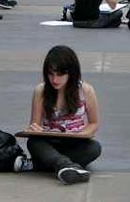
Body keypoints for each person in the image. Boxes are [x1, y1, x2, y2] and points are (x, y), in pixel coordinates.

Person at [24, 46, 102, 184]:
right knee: (34, 142)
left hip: (74, 142)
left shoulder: (85, 90)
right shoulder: (40, 90)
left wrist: (82, 134)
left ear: (71, 73)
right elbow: (35, 124)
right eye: (51, 73)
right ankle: (67, 166)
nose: (55, 79)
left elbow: (94, 122)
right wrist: (34, 129)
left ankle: (46, 165)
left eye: (60, 74)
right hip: (49, 142)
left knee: (94, 148)